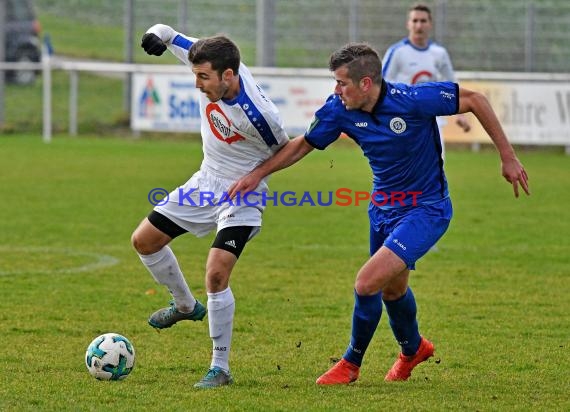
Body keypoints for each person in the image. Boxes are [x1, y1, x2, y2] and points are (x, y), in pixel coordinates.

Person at [228, 43, 529, 385]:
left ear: (366, 83)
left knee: (367, 282)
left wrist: (507, 157)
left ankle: (350, 364)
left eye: (342, 83)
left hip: (426, 209)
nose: (336, 90)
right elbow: (305, 144)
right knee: (392, 290)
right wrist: (257, 174)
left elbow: (476, 100)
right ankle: (413, 349)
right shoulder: (339, 109)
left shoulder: (412, 100)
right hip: (382, 209)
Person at [131, 24, 290, 388]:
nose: (198, 84)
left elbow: (287, 150)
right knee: (144, 241)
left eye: (203, 77)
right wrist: (155, 33)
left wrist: (255, 177)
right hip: (205, 182)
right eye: (195, 74)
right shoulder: (210, 62)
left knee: (216, 272)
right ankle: (186, 306)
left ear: (228, 75)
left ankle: (220, 367)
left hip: (243, 192)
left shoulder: (260, 116)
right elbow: (170, 35)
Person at [382, 3, 471, 159]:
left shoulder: (439, 53)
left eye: (423, 21)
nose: (419, 25)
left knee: (436, 168)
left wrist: (460, 115)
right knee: (404, 171)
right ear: (408, 24)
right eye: (415, 21)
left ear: (430, 24)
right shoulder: (397, 52)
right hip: (403, 120)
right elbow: (381, 85)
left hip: (432, 120)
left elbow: (452, 83)